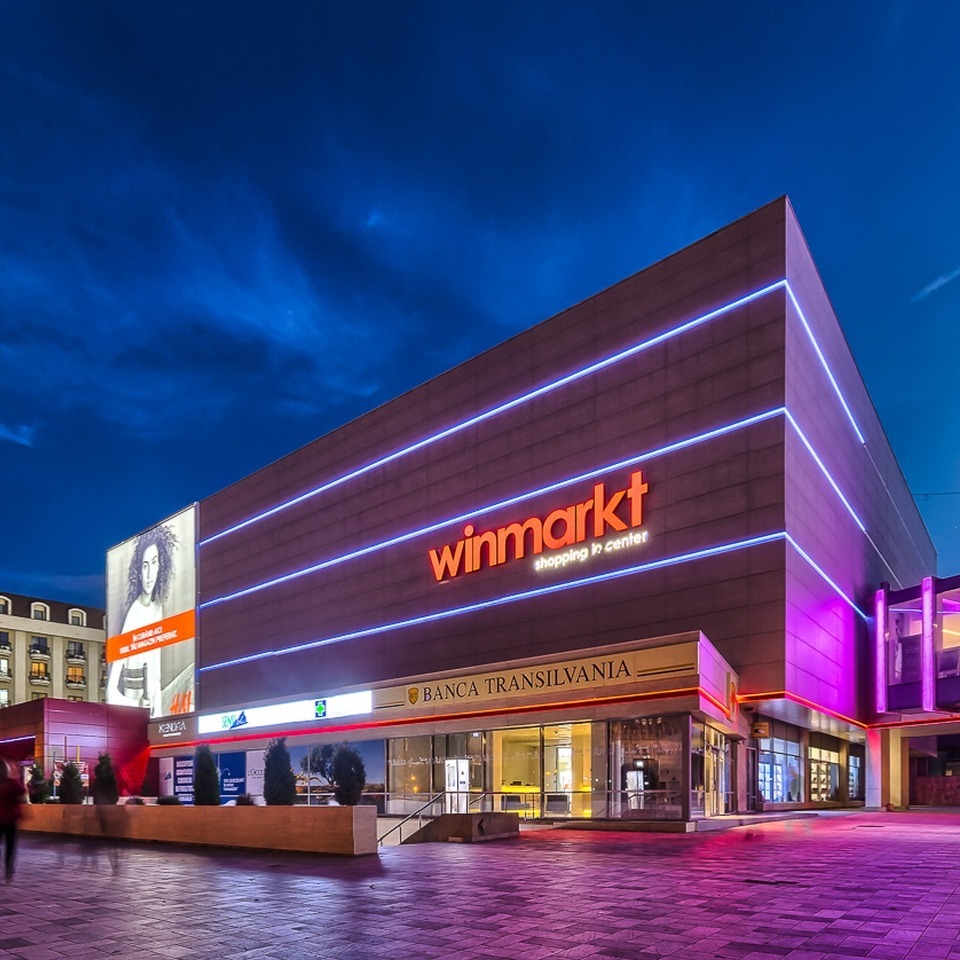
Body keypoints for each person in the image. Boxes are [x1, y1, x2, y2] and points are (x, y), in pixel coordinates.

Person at [106, 524, 177, 717]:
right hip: (132, 712)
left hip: (152, 711)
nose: (149, 574)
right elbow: (111, 689)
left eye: (154, 563)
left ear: (161, 566)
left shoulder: (157, 608)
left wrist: (158, 713)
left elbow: (156, 671)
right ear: (138, 571)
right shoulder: (134, 613)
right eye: (145, 565)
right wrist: (136, 707)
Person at [0, 757, 26, 881]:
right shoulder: (12, 783)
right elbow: (22, 791)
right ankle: (8, 868)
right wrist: (17, 775)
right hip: (10, 819)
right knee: (10, 845)